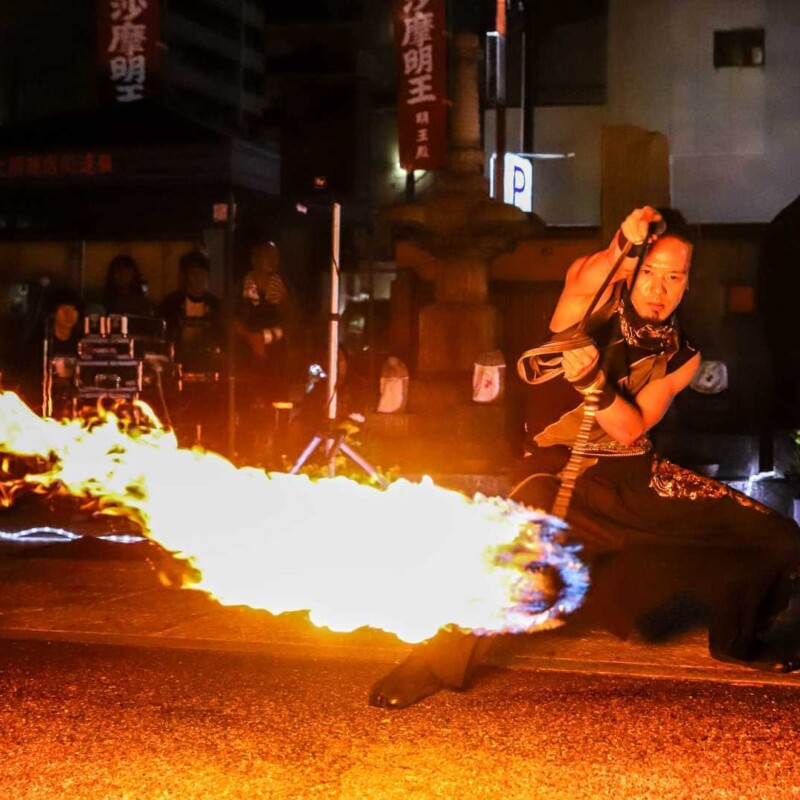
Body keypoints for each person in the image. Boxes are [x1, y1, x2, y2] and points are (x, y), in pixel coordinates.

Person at [369, 206, 800, 709]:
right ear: (630, 272)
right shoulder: (589, 307)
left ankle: (738, 641)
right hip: (555, 473)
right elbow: (588, 274)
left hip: (635, 477)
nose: (659, 289)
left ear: (687, 283)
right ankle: (432, 662)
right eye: (649, 272)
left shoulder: (683, 355)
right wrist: (623, 245)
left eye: (674, 277)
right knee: (509, 556)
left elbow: (632, 426)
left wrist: (594, 381)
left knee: (775, 537)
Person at [158, 250, 224, 376]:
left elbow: (222, 336)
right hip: (178, 367)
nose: (198, 278)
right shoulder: (170, 304)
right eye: (193, 274)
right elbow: (162, 336)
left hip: (209, 368)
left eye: (202, 274)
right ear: (185, 276)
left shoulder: (216, 306)